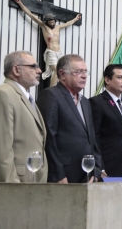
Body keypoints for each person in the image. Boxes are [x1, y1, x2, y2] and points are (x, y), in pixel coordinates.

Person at [0, 51, 47, 182]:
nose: (39, 70)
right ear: (16, 70)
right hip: (9, 187)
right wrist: (12, 187)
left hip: (30, 184)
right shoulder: (3, 95)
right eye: (33, 66)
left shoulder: (26, 98)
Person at [37, 54, 102, 183]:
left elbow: (92, 139)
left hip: (87, 173)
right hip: (64, 174)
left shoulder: (85, 102)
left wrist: (97, 168)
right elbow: (49, 137)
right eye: (78, 72)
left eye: (85, 71)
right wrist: (57, 174)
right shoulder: (51, 96)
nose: (84, 76)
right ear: (62, 74)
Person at [14, 0, 81, 87]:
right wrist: (19, 3)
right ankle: (51, 90)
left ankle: (58, 88)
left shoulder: (58, 27)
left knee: (62, 70)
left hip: (59, 52)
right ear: (47, 22)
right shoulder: (44, 26)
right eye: (50, 22)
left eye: (53, 22)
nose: (52, 23)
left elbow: (67, 24)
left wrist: (75, 19)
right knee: (57, 70)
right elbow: (31, 15)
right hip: (51, 52)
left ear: (55, 20)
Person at [89, 64, 122, 181]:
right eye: (120, 77)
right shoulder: (97, 102)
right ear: (107, 80)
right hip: (108, 166)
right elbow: (94, 137)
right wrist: (99, 167)